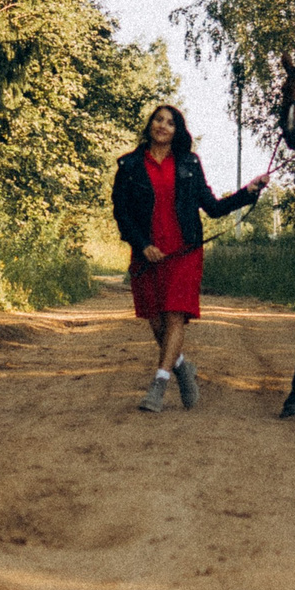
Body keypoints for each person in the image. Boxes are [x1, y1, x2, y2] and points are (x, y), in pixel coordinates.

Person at [110, 105, 271, 413]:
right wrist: (142, 244)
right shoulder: (129, 165)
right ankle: (183, 368)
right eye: (158, 119)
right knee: (156, 322)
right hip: (147, 255)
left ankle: (158, 385)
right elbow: (122, 213)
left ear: (177, 131)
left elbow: (212, 207)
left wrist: (248, 192)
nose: (162, 126)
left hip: (183, 253)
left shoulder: (189, 164)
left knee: (173, 316)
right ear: (150, 125)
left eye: (170, 123)